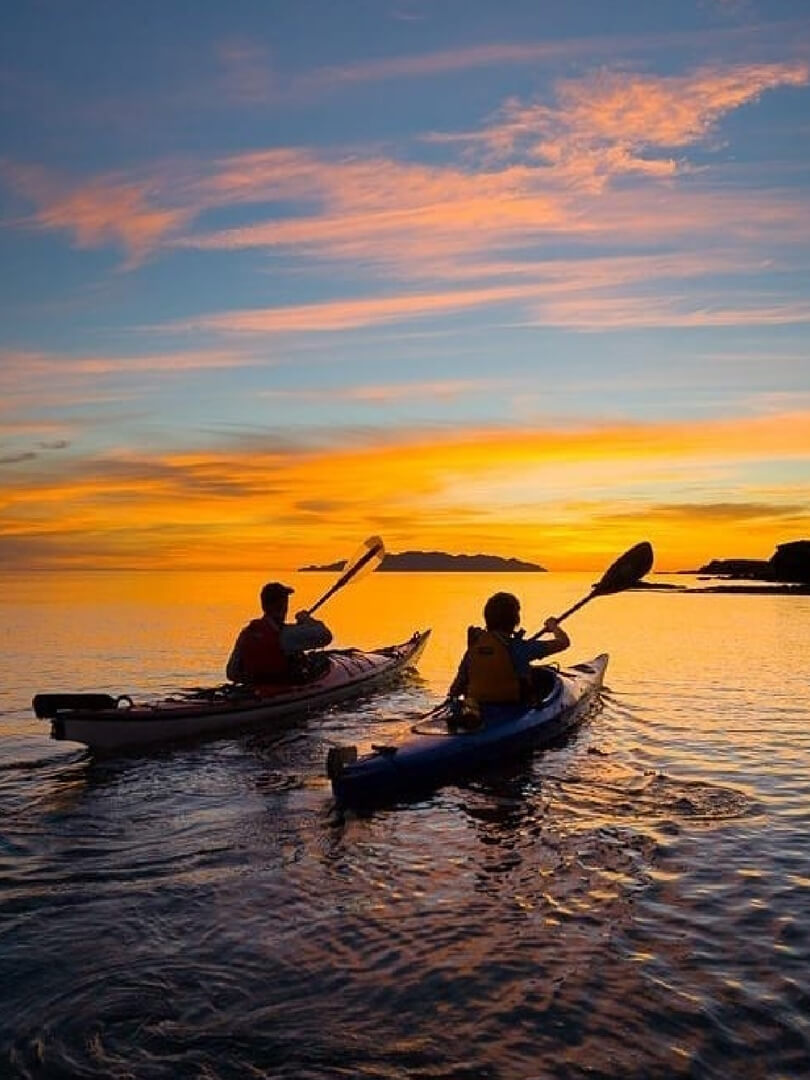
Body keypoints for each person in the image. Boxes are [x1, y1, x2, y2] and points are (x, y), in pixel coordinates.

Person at [448, 591, 569, 717]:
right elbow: (563, 643)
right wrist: (554, 626)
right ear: (515, 620)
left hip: (479, 705)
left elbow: (457, 686)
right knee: (542, 678)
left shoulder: (474, 647)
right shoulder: (519, 647)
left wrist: (452, 699)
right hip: (514, 705)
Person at [226, 582, 333, 685]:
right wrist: (306, 619)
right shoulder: (287, 635)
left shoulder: (246, 633)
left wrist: (256, 680)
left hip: (257, 690)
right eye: (285, 601)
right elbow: (326, 636)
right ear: (283, 605)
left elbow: (231, 673)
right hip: (285, 688)